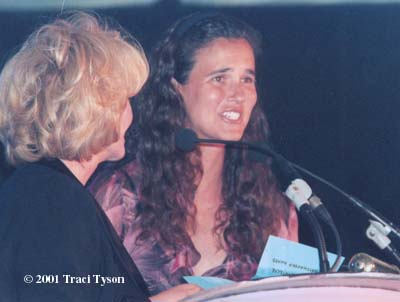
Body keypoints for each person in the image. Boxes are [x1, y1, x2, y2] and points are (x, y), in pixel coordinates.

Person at [89, 12, 298, 295]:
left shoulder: (276, 212)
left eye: (247, 79)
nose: (237, 94)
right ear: (177, 88)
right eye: (219, 78)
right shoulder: (120, 197)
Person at [0, 11, 199, 302]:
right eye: (126, 100)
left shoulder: (44, 191)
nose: (132, 113)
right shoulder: (53, 200)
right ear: (96, 108)